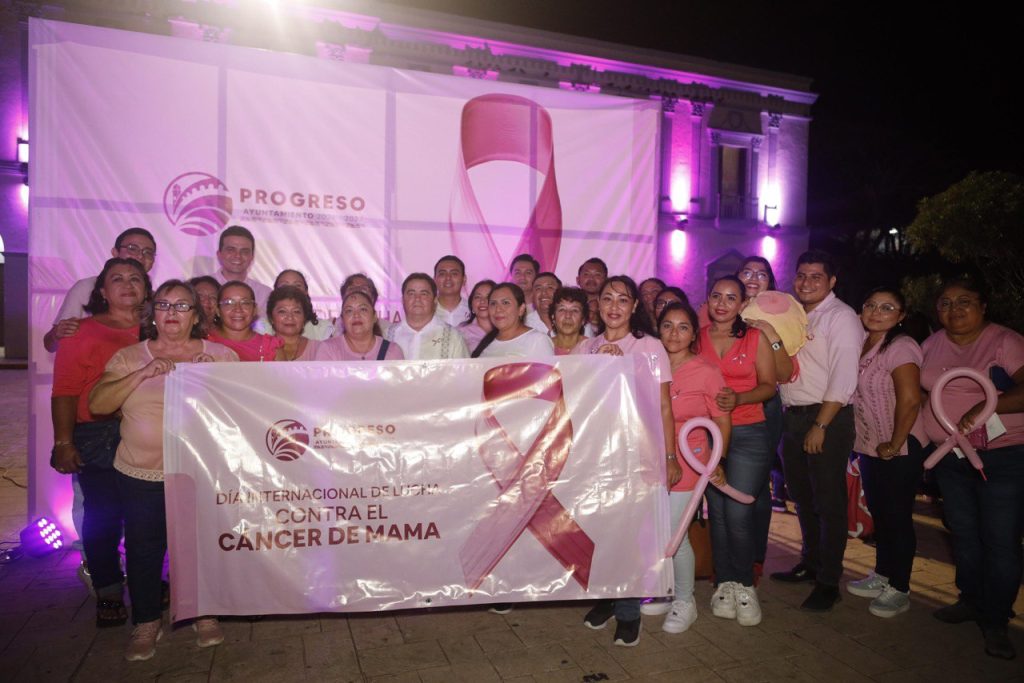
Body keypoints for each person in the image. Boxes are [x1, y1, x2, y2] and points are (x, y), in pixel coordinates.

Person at [89, 280, 238, 661]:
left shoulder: (221, 356)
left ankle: (204, 613)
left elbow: (240, 415)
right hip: (141, 472)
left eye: (182, 306)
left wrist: (218, 382)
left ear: (196, 316)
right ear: (152, 313)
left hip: (199, 473)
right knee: (143, 549)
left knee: (199, 545)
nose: (172, 313)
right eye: (164, 305)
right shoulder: (129, 357)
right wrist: (142, 374)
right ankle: (146, 622)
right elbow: (98, 404)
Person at [574, 275, 681, 647]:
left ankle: (629, 612)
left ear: (634, 306)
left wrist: (670, 455)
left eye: (623, 299)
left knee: (631, 534)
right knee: (600, 531)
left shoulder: (649, 346)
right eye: (607, 298)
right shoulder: (586, 347)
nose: (614, 306)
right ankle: (608, 597)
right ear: (598, 304)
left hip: (636, 453)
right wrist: (595, 369)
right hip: (595, 455)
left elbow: (663, 406)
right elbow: (577, 402)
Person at [921, 277, 1024, 660]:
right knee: (963, 533)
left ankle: (996, 619)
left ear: (983, 306)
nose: (954, 309)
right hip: (950, 458)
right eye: (945, 303)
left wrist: (988, 406)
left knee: (1000, 540)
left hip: (1003, 457)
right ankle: (971, 599)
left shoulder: (1004, 341)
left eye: (964, 301)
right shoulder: (931, 344)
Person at [51, 258, 151, 628]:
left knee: (146, 517)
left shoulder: (156, 331)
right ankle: (108, 590)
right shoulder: (82, 330)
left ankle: (146, 583)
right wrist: (64, 442)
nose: (127, 284)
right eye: (117, 279)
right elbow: (64, 390)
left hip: (147, 432)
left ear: (146, 289)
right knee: (103, 516)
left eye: (135, 279)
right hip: (97, 435)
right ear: (103, 291)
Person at [770, 250, 861, 613]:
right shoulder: (795, 315)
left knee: (828, 502)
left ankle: (829, 581)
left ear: (832, 281)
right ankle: (810, 562)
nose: (806, 282)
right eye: (801, 275)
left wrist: (821, 425)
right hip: (793, 416)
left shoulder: (841, 317)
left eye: (816, 277)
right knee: (802, 498)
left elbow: (844, 376)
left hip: (826, 417)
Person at [642, 301, 732, 633]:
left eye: (683, 327)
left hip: (689, 461)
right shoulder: (648, 364)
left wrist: (718, 461)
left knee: (675, 535)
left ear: (694, 333)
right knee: (656, 531)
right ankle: (666, 592)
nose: (674, 333)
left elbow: (722, 420)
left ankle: (685, 600)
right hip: (651, 459)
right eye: (667, 325)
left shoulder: (707, 371)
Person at [699, 276, 776, 626]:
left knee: (738, 512)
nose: (722, 303)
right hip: (707, 434)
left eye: (731, 298)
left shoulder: (755, 337)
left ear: (743, 304)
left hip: (749, 433)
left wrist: (740, 398)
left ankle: (745, 584)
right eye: (716, 296)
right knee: (716, 513)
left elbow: (769, 386)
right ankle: (724, 583)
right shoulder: (696, 337)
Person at [845, 287, 926, 618]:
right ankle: (882, 574)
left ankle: (900, 587)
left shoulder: (901, 346)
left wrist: (894, 442)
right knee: (880, 513)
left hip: (901, 445)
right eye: (871, 305)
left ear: (901, 315)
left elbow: (910, 399)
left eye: (887, 307)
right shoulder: (863, 342)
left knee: (897, 516)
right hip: (871, 445)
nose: (877, 312)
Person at [735, 256, 794, 583]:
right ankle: (728, 554)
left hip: (764, 404)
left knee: (756, 485)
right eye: (747, 271)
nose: (753, 278)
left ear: (771, 282)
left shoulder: (780, 316)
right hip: (723, 405)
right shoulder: (723, 308)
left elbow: (785, 372)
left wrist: (769, 331)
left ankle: (755, 558)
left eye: (761, 273)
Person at [45, 227, 157, 352]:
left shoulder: (157, 299)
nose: (140, 256)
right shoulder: (86, 287)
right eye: (132, 248)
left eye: (148, 252)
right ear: (115, 252)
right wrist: (56, 335)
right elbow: (50, 345)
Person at [385, 273, 469, 360]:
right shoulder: (387, 336)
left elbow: (465, 368)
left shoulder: (453, 337)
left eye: (424, 294)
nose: (417, 299)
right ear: (402, 299)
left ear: (435, 300)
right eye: (411, 293)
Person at [316, 290, 405, 361]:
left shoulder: (392, 351)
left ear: (374, 317)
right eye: (349, 311)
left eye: (363, 309)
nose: (356, 315)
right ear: (342, 320)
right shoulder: (328, 349)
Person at [471, 283, 554, 358]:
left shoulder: (537, 340)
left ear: (521, 309)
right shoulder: (487, 343)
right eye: (493, 303)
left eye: (505, 303)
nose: (498, 309)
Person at [208, 281, 283, 361]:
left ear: (255, 309)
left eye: (245, 303)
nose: (238, 309)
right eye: (229, 303)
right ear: (218, 310)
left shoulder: (271, 348)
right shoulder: (206, 342)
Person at [208, 225, 272, 317]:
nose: (237, 255)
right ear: (219, 254)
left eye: (244, 251)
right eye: (231, 250)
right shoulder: (201, 288)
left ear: (252, 257)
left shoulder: (264, 294)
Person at [274, 269, 335, 340]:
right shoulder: (264, 328)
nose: (291, 290)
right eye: (284, 286)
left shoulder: (323, 329)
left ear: (306, 292)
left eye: (297, 286)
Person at [268, 286, 321, 361]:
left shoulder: (318, 349)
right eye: (282, 311)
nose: (290, 317)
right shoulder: (259, 348)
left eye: (296, 312)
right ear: (271, 317)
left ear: (304, 318)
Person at [550, 286, 589, 355]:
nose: (568, 316)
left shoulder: (592, 347)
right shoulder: (544, 346)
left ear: (583, 319)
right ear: (553, 317)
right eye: (562, 309)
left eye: (575, 310)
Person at [434, 255, 471, 327]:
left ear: (464, 279)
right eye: (442, 274)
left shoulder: (473, 311)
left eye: (454, 274)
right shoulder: (426, 311)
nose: (448, 278)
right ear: (434, 279)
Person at [458, 280, 495, 351]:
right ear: (471, 304)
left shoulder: (507, 330)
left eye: (489, 297)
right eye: (478, 297)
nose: (482, 301)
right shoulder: (461, 332)